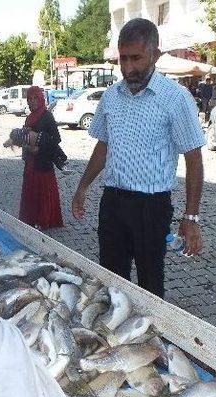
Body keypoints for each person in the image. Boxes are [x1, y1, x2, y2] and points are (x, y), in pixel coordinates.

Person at [71, 18, 205, 299]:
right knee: (110, 279)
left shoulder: (175, 98)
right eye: (123, 59)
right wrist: (83, 187)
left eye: (136, 58)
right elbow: (103, 145)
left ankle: (150, 339)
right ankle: (113, 334)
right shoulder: (111, 96)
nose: (128, 67)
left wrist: (190, 217)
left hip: (151, 208)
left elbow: (193, 157)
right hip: (113, 204)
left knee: (150, 283)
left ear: (155, 55)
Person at [3, 86, 63, 229]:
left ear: (41, 99)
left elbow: (56, 139)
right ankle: (31, 218)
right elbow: (25, 137)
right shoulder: (30, 116)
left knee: (43, 192)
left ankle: (45, 220)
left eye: (35, 98)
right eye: (29, 99)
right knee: (31, 191)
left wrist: (39, 145)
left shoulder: (47, 115)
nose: (32, 102)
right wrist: (20, 141)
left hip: (42, 161)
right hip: (30, 160)